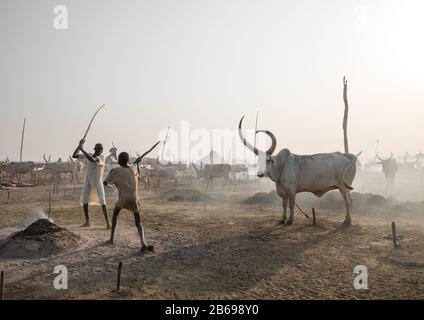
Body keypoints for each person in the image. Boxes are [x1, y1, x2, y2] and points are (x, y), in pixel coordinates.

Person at [103, 152, 154, 252]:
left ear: (119, 161)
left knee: (115, 214)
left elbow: (105, 182)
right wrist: (137, 165)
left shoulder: (116, 170)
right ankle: (143, 242)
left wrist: (111, 173)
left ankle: (111, 238)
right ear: (127, 160)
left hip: (123, 198)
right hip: (134, 198)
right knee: (138, 222)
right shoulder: (133, 169)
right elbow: (138, 177)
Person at [72, 139, 110, 229]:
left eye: (101, 149)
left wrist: (82, 149)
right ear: (94, 148)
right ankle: (87, 222)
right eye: (98, 148)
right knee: (85, 200)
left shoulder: (101, 157)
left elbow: (92, 160)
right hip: (88, 181)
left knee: (103, 201)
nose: (100, 150)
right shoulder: (87, 155)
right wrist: (79, 145)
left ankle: (108, 224)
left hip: (97, 181)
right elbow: (74, 156)